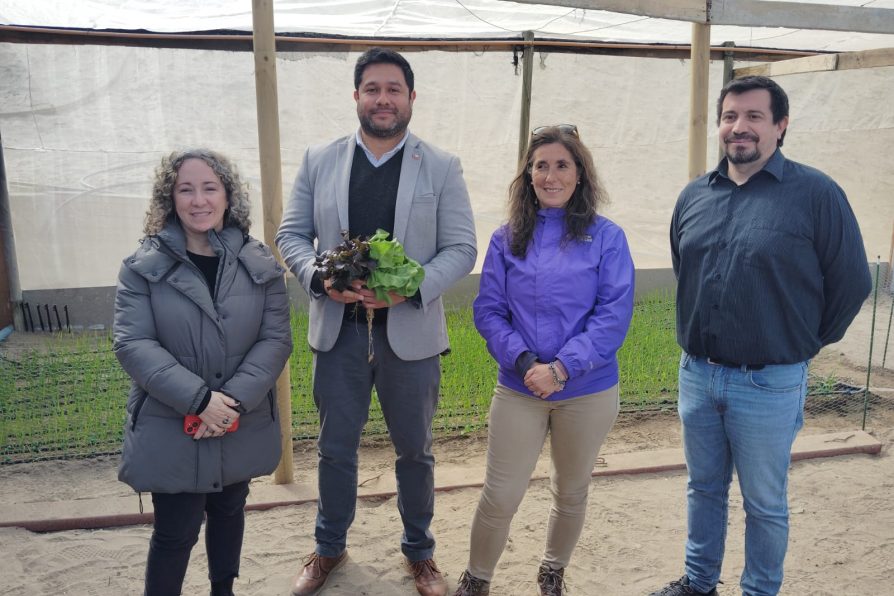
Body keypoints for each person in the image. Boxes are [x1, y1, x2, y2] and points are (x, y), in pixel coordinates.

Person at [650, 76, 871, 596]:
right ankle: (699, 583)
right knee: (702, 488)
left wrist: (802, 342)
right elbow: (688, 268)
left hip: (769, 383)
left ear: (780, 126)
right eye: (730, 116)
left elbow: (851, 281)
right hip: (698, 376)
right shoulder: (693, 196)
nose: (738, 127)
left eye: (753, 116)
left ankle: (758, 591)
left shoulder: (816, 193)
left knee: (764, 503)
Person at [275, 47, 477, 596]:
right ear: (357, 97)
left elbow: (461, 249)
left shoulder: (440, 165)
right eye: (372, 88)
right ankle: (328, 548)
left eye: (394, 89)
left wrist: (409, 288)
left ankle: (420, 553)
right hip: (338, 332)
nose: (383, 99)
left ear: (411, 98)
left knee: (414, 449)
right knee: (335, 446)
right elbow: (290, 235)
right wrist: (322, 280)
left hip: (408, 336)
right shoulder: (320, 160)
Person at [452, 125, 635, 596]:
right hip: (520, 388)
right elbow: (489, 310)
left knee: (571, 490)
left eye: (561, 165)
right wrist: (526, 361)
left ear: (580, 174)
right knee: (501, 494)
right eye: (541, 166)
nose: (551, 176)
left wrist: (562, 368)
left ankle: (552, 569)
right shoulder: (506, 237)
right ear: (528, 175)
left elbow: (613, 316)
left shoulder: (606, 238)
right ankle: (477, 577)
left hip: (588, 390)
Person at [114, 149, 293, 596]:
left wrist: (228, 405)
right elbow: (133, 343)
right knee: (176, 529)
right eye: (186, 189)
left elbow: (275, 340)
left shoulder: (259, 262)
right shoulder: (143, 267)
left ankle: (222, 590)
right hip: (172, 422)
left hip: (239, 417)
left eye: (209, 188)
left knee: (231, 508)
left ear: (228, 196)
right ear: (169, 198)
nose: (199, 200)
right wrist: (199, 402)